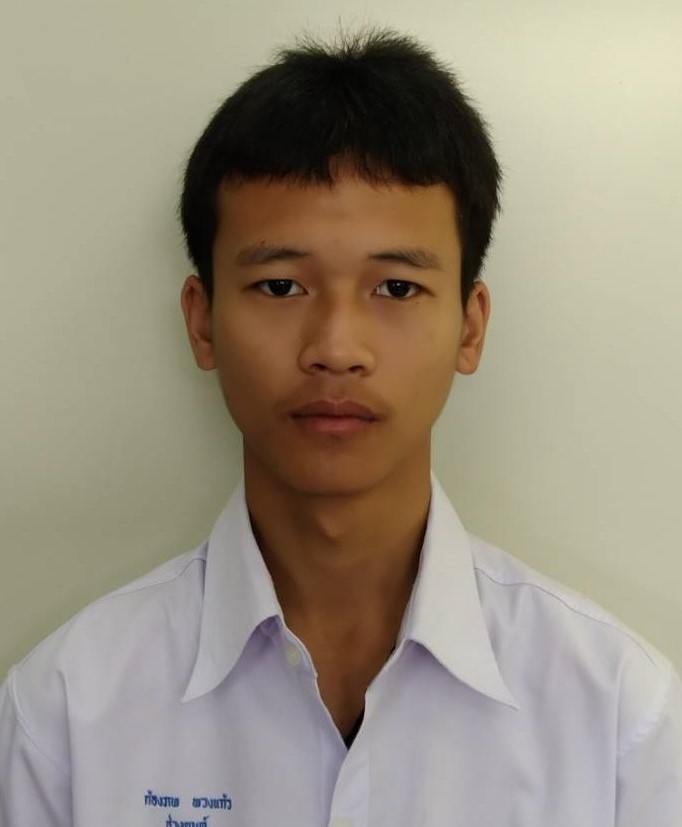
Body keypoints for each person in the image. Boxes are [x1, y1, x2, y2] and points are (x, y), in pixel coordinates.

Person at [0, 25, 680, 827]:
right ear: (202, 320)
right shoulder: (67, 712)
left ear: (469, 326)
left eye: (396, 288)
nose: (335, 348)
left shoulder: (619, 719)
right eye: (280, 286)